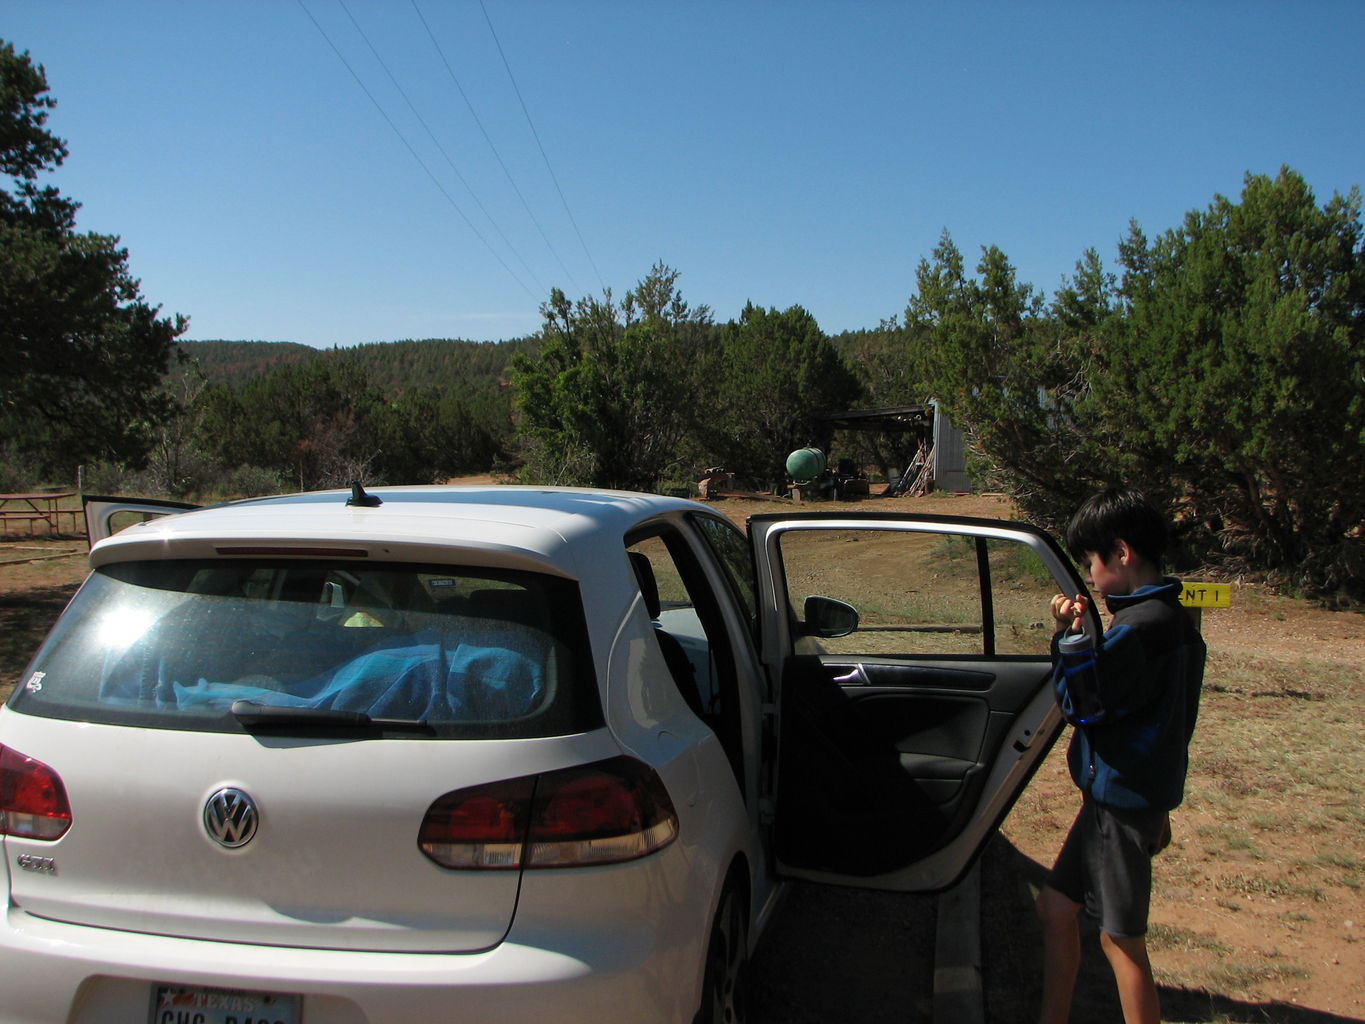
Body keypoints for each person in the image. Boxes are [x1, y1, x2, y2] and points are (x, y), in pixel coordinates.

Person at [1036, 488, 1206, 1024]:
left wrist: (1068, 638)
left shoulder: (1138, 628)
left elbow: (1084, 704)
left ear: (1122, 553)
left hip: (1121, 805)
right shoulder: (1176, 619)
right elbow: (1166, 716)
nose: (1089, 575)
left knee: (1120, 941)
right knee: (1056, 907)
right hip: (1123, 798)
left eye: (1091, 561)